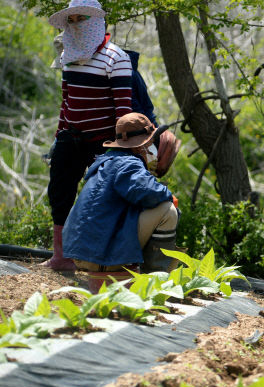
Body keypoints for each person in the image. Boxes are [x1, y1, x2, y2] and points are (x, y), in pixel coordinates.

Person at [44, 0, 133, 271]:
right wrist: (59, 137)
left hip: (101, 142)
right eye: (70, 20)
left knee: (99, 199)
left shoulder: (116, 58)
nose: (74, 25)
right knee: (59, 193)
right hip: (70, 137)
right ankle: (61, 256)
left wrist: (120, 150)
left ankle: (98, 261)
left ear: (94, 20)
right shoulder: (68, 56)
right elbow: (66, 102)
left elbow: (123, 110)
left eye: (80, 19)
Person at [63, 113, 180, 274]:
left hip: (83, 253)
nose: (153, 146)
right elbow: (150, 193)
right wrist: (167, 193)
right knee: (167, 209)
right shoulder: (128, 164)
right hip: (98, 257)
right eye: (151, 141)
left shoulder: (108, 161)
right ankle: (155, 279)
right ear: (140, 146)